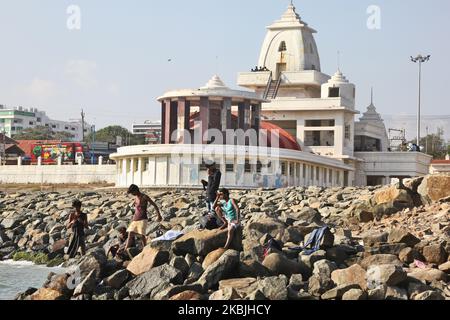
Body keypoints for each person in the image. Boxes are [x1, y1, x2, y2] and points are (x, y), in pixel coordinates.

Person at [126, 184, 162, 250]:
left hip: (143, 218)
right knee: (130, 233)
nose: (132, 194)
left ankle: (144, 249)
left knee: (142, 235)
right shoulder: (136, 197)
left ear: (136, 190)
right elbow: (137, 208)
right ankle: (126, 249)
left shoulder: (144, 197)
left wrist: (159, 215)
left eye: (132, 192)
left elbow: (154, 205)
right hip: (135, 219)